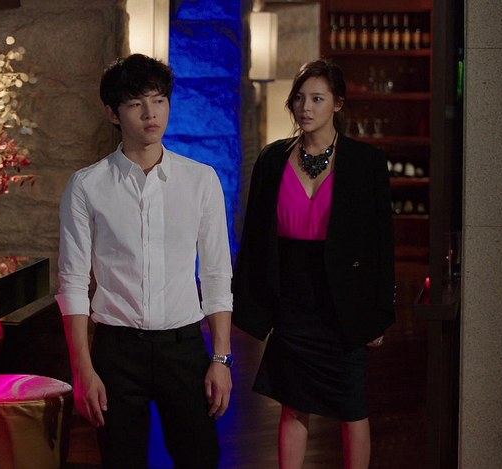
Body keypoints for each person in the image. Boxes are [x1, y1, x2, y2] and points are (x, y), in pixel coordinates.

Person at [55, 53, 234, 469]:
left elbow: (216, 275)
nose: (151, 113)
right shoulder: (87, 186)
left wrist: (222, 359)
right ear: (112, 113)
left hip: (183, 348)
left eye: (159, 100)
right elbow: (73, 282)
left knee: (201, 459)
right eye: (136, 104)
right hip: (116, 351)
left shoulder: (201, 180)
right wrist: (82, 370)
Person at [233, 59, 395, 469]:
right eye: (300, 98)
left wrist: (379, 314)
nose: (306, 107)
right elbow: (255, 239)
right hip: (291, 302)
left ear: (338, 103)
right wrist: (251, 305)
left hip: (345, 304)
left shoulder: (366, 162)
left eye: (317, 99)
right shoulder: (272, 160)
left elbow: (381, 245)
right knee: (293, 405)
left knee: (352, 407)